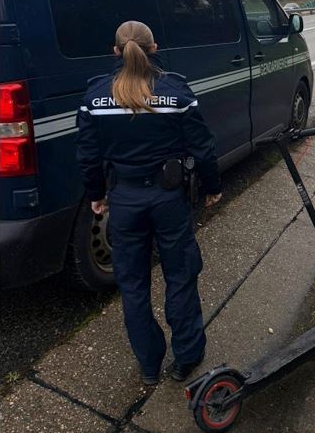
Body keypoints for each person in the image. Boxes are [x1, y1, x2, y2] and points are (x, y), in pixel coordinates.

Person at [75, 20, 223, 386]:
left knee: (133, 284)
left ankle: (148, 365)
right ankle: (185, 359)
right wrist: (212, 187)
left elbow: (88, 157)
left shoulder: (94, 97)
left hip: (124, 202)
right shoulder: (176, 91)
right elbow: (202, 145)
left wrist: (96, 196)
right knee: (181, 275)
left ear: (115, 52)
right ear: (153, 49)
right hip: (168, 199)